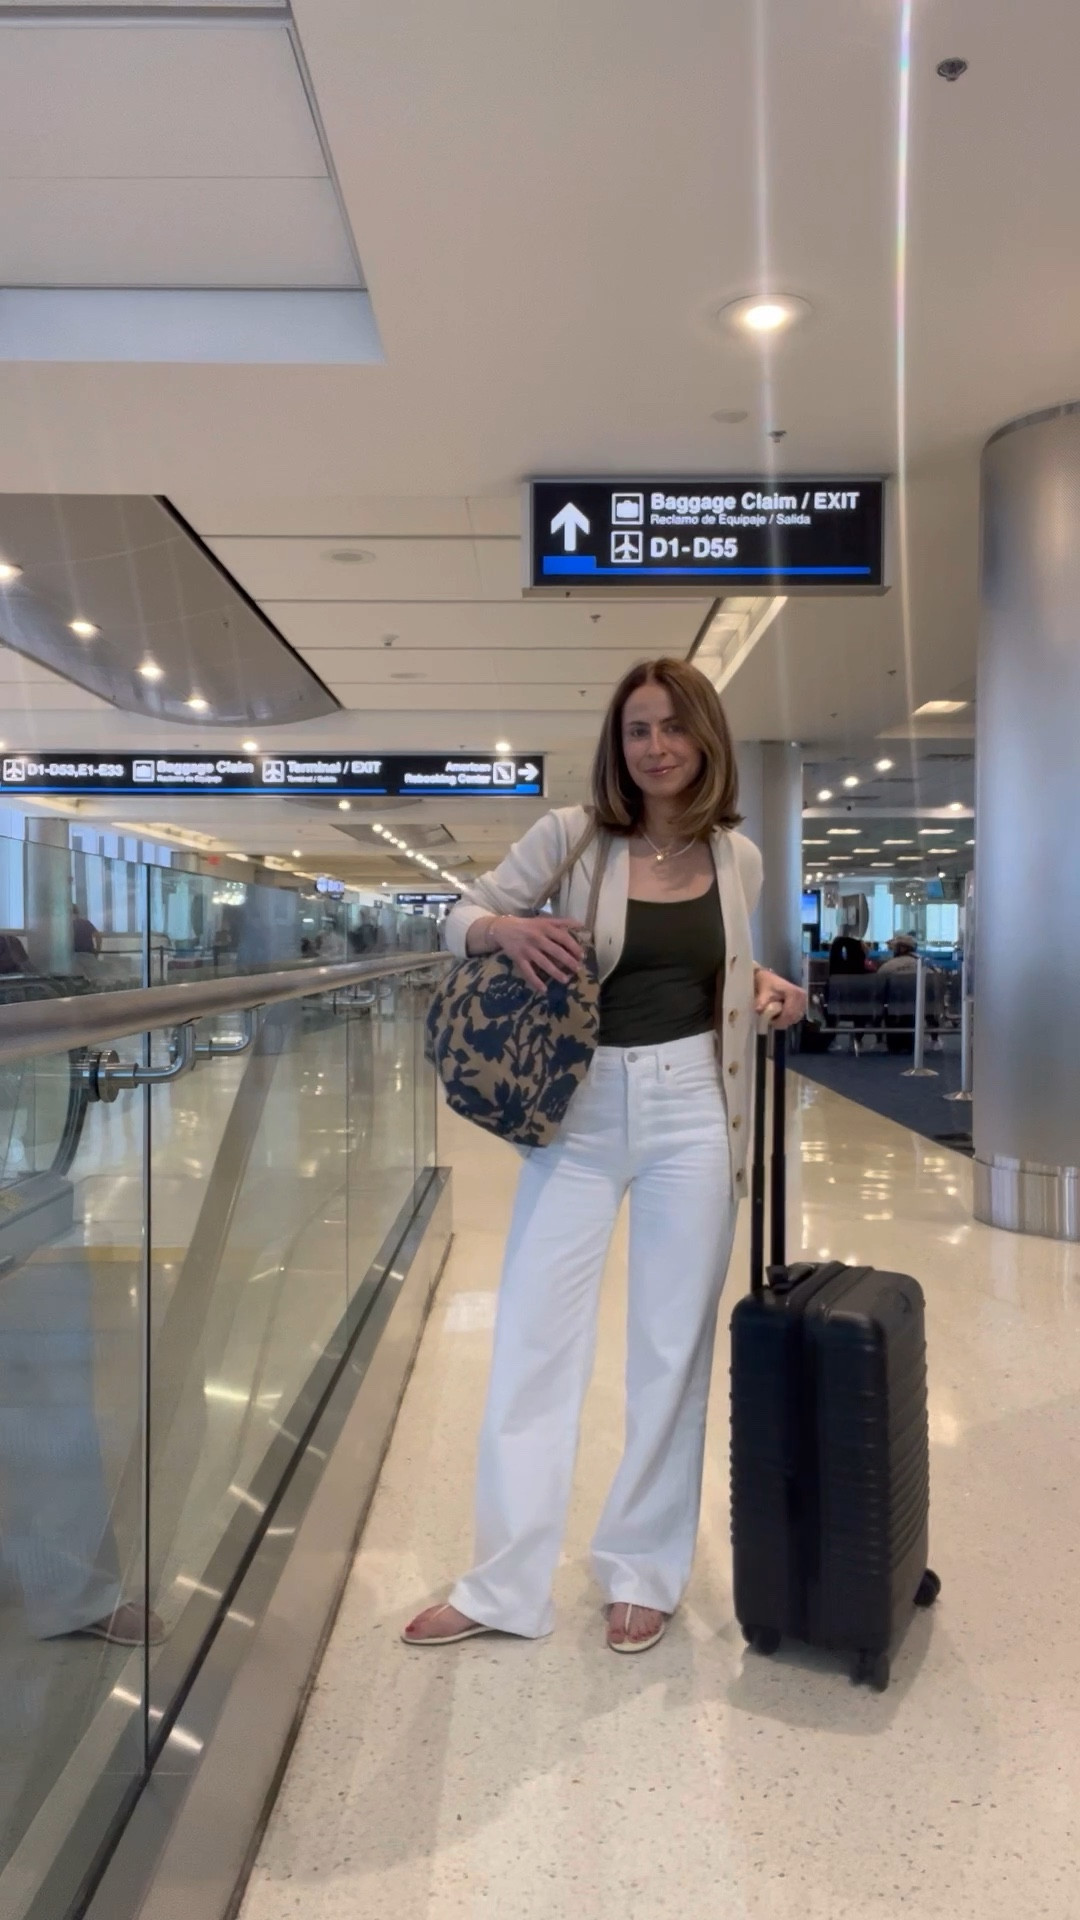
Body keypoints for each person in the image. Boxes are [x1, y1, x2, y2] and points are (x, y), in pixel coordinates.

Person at [403, 657, 806, 1656]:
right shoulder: (572, 838)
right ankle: (503, 1583)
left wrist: (772, 987)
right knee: (535, 1341)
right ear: (617, 746)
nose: (656, 747)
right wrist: (501, 926)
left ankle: (642, 1570)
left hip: (691, 1113)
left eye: (673, 727)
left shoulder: (738, 858)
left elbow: (717, 968)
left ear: (705, 737)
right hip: (579, 1111)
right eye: (637, 730)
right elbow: (453, 920)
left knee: (671, 1349)